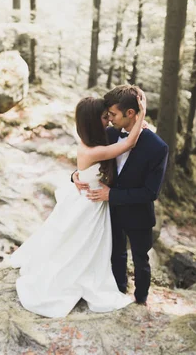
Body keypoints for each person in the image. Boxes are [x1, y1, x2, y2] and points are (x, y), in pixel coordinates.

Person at [9, 92, 147, 318]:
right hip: (89, 205)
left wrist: (76, 175)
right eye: (105, 117)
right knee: (79, 245)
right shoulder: (94, 149)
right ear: (94, 121)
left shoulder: (93, 140)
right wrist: (142, 111)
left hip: (89, 199)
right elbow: (130, 143)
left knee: (79, 244)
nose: (109, 120)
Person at [74, 85, 168, 306]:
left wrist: (112, 195)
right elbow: (89, 161)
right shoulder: (109, 134)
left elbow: (150, 192)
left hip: (138, 214)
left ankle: (141, 299)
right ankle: (116, 294)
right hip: (109, 212)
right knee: (115, 255)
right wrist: (75, 175)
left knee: (141, 260)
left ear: (131, 113)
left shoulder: (158, 147)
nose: (109, 119)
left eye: (113, 114)